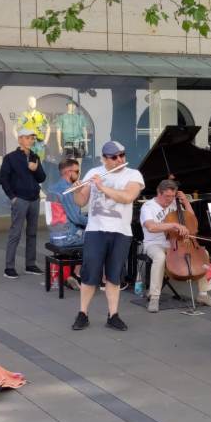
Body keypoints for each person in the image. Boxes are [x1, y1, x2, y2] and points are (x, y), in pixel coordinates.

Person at [71, 141, 144, 332]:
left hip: (121, 231)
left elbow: (127, 197)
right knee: (89, 273)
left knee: (114, 274)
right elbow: (81, 201)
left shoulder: (133, 175)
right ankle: (83, 313)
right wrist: (77, 191)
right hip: (95, 230)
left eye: (122, 155)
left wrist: (102, 187)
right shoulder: (93, 172)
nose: (119, 159)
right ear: (104, 159)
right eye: (114, 157)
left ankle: (113, 315)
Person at [140, 180, 211, 312]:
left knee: (204, 255)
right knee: (160, 257)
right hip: (154, 243)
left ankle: (203, 294)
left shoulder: (174, 203)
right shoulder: (148, 207)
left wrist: (186, 202)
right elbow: (151, 227)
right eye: (167, 196)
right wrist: (174, 225)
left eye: (172, 196)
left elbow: (191, 220)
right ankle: (154, 297)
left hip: (177, 242)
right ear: (159, 192)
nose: (170, 199)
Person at [0, 127, 47, 279]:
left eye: (32, 138)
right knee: (15, 233)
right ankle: (9, 267)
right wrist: (12, 197)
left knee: (32, 233)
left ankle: (30, 265)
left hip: (34, 199)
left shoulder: (35, 156)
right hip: (20, 199)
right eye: (27, 137)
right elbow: (3, 179)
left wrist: (35, 169)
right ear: (20, 139)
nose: (30, 140)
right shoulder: (10, 158)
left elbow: (42, 178)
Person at [47, 158, 89, 288]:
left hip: (54, 235)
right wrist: (95, 221)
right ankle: (77, 274)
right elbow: (76, 218)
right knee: (97, 238)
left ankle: (74, 274)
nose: (79, 174)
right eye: (77, 171)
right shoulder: (67, 190)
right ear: (68, 172)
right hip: (66, 236)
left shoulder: (53, 188)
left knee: (88, 232)